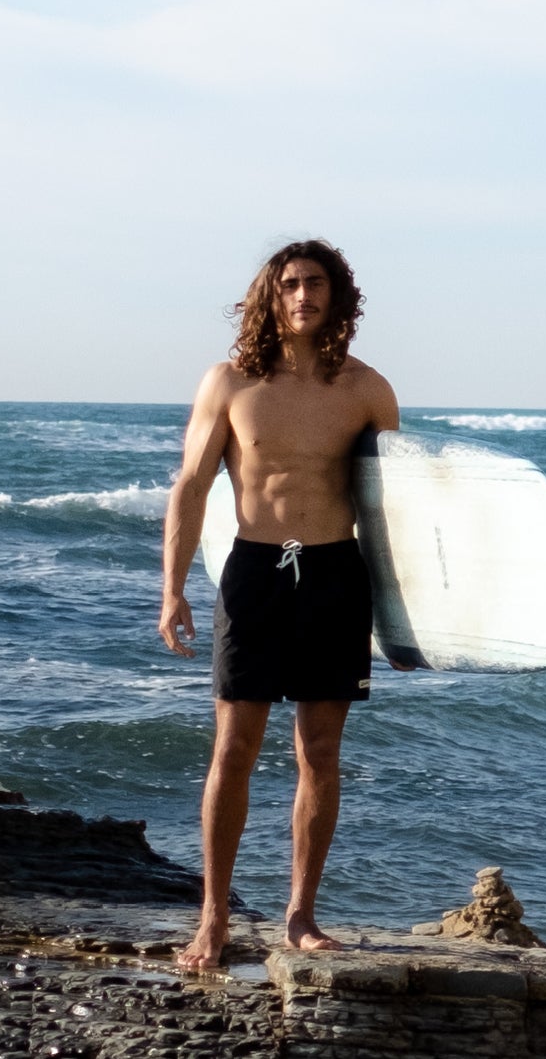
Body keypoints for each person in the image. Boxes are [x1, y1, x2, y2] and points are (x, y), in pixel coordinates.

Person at [157, 240, 401, 970]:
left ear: (337, 295)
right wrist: (172, 587)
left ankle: (300, 915)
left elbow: (394, 513)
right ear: (271, 296)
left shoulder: (367, 390)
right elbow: (192, 486)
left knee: (320, 753)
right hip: (257, 571)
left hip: (336, 573)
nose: (303, 295)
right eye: (290, 284)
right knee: (234, 749)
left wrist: (399, 621)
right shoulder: (230, 383)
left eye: (316, 283)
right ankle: (214, 916)